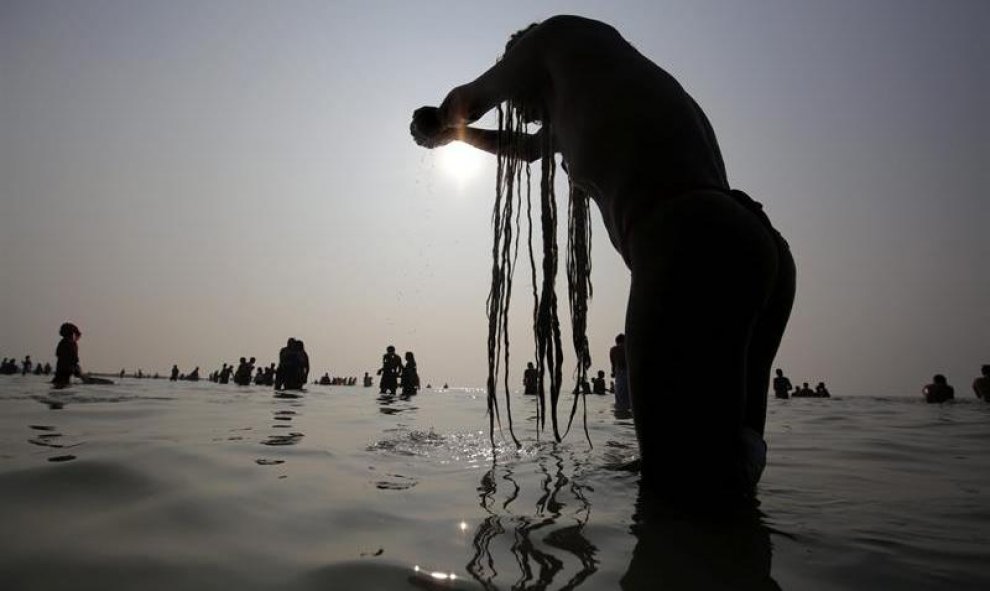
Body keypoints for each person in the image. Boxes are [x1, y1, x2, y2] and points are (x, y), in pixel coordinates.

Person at [411, 15, 795, 505]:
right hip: (753, 247)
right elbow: (528, 150)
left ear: (519, 61)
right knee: (726, 475)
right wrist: (460, 140)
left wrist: (438, 123)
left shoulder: (550, 38)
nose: (527, 113)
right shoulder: (595, 80)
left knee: (675, 496)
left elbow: (462, 102)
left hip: (689, 244)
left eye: (521, 97)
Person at [52, 322, 82, 388]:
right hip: (65, 371)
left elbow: (58, 354)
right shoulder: (71, 343)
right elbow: (74, 359)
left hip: (62, 371)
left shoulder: (64, 342)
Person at [610, 334, 630, 411]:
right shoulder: (627, 348)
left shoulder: (613, 350)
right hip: (628, 373)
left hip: (619, 374)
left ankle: (620, 415)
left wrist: (613, 372)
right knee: (628, 397)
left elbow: (613, 364)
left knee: (620, 398)